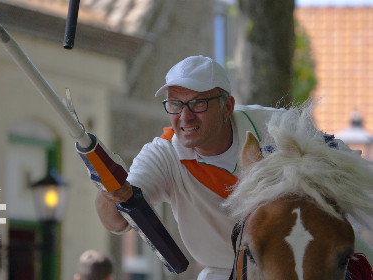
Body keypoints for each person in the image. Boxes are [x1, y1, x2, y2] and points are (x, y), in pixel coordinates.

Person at [94, 55, 373, 279]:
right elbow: (117, 221)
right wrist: (111, 191)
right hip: (221, 271)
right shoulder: (163, 154)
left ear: (227, 107)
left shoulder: (280, 127)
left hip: (319, 262)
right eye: (176, 104)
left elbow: (354, 173)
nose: (185, 116)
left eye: (198, 103)